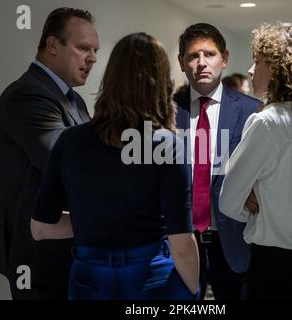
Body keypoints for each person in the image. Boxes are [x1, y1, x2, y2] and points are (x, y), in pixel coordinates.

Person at [30, 32, 200, 300]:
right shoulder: (168, 144)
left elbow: (40, 228)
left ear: (111, 78)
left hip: (89, 277)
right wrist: (194, 292)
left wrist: (98, 221)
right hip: (152, 275)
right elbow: (181, 244)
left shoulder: (70, 141)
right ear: (161, 83)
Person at [0, 7, 99, 300]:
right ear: (52, 45)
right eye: (83, 48)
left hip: (69, 256)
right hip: (40, 261)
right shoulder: (29, 95)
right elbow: (71, 167)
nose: (93, 58)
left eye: (95, 50)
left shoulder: (72, 100)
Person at [219, 24, 292, 300]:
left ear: (277, 69)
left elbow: (227, 202)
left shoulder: (267, 122)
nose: (250, 70)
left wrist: (260, 207)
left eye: (258, 61)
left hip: (277, 268)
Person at [174, 23, 261, 300]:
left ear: (224, 58)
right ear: (181, 62)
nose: (201, 63)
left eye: (209, 55)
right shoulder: (165, 110)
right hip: (181, 240)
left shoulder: (252, 111)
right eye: (192, 56)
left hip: (234, 242)